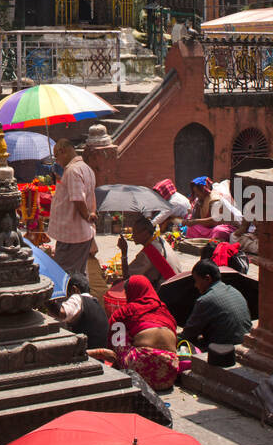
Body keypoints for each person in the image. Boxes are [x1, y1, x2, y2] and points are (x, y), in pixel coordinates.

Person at [94, 276, 180, 392]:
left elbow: (113, 337)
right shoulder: (164, 309)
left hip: (141, 372)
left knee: (120, 329)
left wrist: (114, 359)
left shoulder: (126, 311)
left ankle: (122, 367)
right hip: (169, 374)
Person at [46, 139, 97, 278]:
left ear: (63, 151)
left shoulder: (73, 171)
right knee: (78, 274)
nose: (57, 161)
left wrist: (87, 215)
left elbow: (78, 199)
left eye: (56, 157)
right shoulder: (86, 169)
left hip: (72, 235)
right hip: (79, 234)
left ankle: (66, 299)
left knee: (63, 275)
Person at [180, 260, 252, 350]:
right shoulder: (234, 291)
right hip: (242, 344)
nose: (195, 285)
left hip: (224, 352)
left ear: (207, 279)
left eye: (196, 281)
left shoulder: (205, 300)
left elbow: (188, 334)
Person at [118, 214, 188, 289]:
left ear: (145, 233)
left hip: (166, 292)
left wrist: (124, 252)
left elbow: (127, 278)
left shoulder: (148, 253)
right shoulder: (160, 240)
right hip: (176, 283)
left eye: (135, 233)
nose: (132, 236)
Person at [54, 274, 110, 348]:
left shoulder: (77, 298)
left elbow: (62, 313)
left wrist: (47, 300)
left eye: (67, 294)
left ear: (74, 289)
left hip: (88, 355)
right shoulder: (97, 305)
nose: (67, 298)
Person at [185, 176, 234, 241]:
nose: (196, 195)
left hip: (223, 226)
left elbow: (215, 220)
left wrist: (195, 221)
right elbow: (195, 218)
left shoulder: (215, 200)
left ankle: (211, 245)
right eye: (195, 192)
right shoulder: (200, 200)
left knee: (219, 231)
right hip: (208, 229)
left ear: (204, 190)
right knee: (191, 228)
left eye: (198, 192)